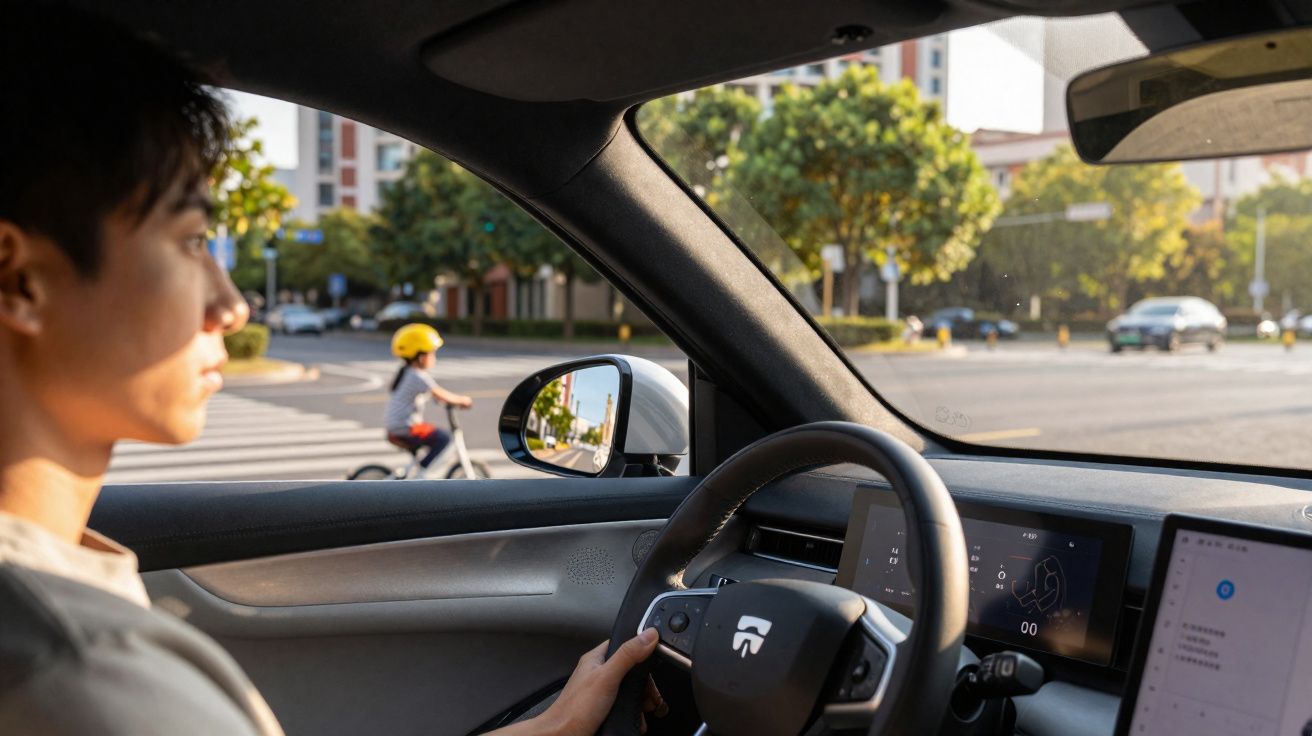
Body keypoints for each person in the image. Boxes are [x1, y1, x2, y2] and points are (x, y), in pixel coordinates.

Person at [0, 7, 663, 735]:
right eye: (191, 242)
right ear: (19, 281)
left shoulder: (58, 612)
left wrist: (549, 728)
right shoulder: (82, 674)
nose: (234, 305)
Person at [385, 323, 470, 472]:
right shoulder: (418, 376)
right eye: (432, 353)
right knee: (445, 439)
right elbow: (439, 393)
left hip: (396, 427)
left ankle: (419, 470)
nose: (434, 357)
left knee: (435, 439)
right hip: (406, 428)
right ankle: (422, 474)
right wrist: (462, 400)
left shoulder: (406, 372)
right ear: (420, 356)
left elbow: (427, 395)